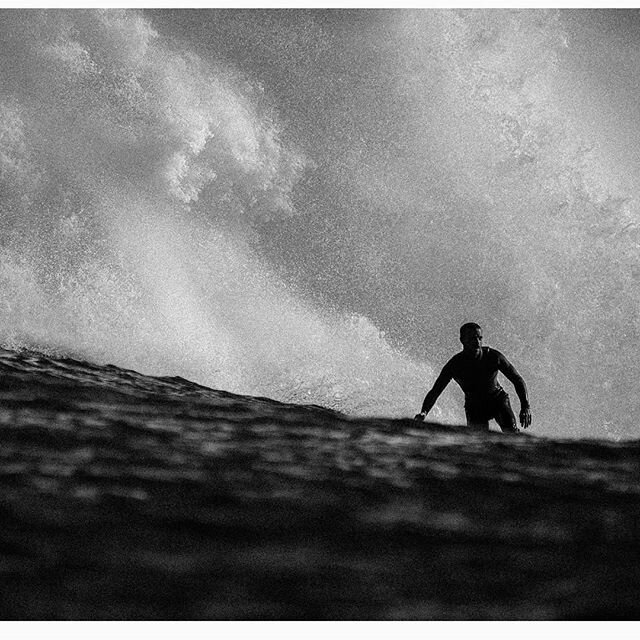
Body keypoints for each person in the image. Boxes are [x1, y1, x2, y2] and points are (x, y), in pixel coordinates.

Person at [414, 323, 531, 432]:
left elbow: (517, 379)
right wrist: (424, 412)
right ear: (462, 340)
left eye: (480, 338)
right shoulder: (455, 365)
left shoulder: (493, 357)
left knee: (512, 433)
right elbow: (436, 391)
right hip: (475, 407)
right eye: (472, 338)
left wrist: (525, 406)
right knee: (477, 441)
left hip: (498, 401)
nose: (477, 341)